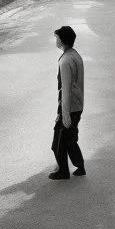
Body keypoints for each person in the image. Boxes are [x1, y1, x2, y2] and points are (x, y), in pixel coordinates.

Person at [49, 26, 86, 180]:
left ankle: (63, 171)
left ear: (62, 40)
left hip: (69, 107)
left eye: (57, 37)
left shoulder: (65, 61)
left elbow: (66, 89)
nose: (56, 40)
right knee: (70, 139)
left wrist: (64, 114)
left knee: (58, 143)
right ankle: (80, 166)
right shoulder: (74, 55)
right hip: (77, 105)